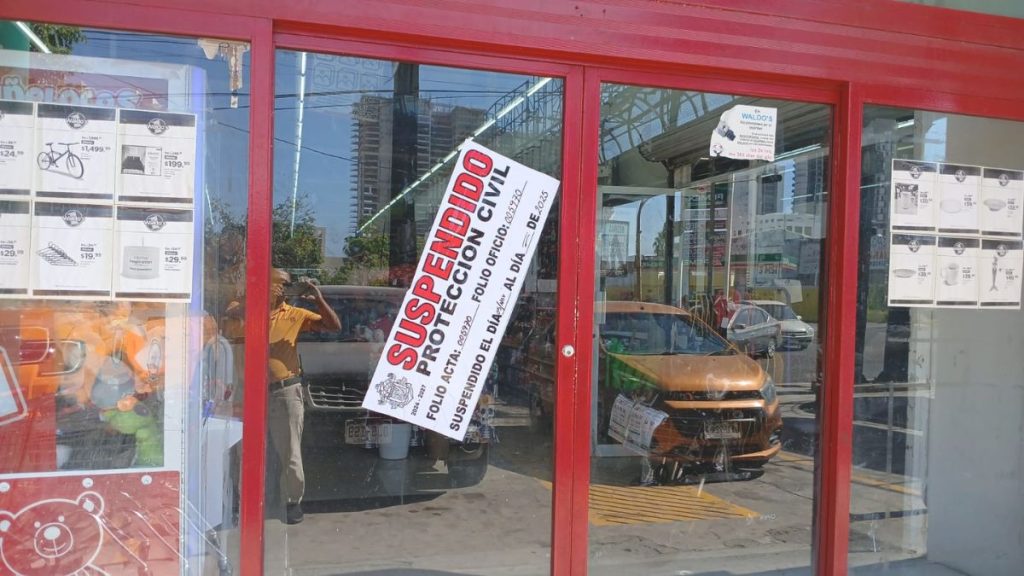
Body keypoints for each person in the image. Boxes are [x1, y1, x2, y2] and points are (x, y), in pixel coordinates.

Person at [227, 268, 340, 524]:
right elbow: (229, 316)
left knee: (290, 450)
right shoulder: (242, 307)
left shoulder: (295, 314)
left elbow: (333, 326)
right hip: (249, 392)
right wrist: (259, 299)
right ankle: (244, 500)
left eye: (287, 285)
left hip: (284, 389)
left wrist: (318, 299)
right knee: (245, 450)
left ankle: (291, 501)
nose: (283, 288)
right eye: (279, 283)